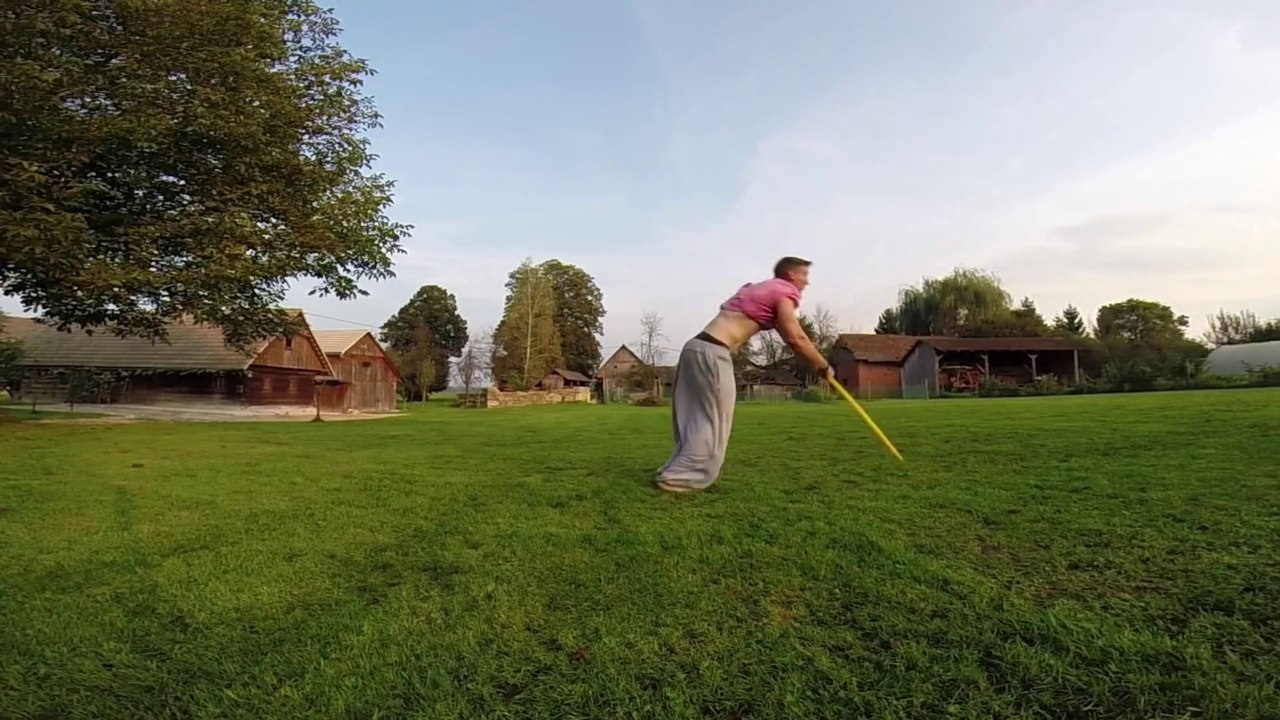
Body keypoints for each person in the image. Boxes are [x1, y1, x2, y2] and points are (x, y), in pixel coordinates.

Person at [656, 256, 834, 493]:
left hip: (694, 348)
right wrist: (823, 366)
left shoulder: (757, 289)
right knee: (714, 419)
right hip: (713, 352)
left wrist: (812, 357)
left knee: (694, 415)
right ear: (791, 274)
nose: (806, 282)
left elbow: (786, 334)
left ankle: (675, 470)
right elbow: (795, 338)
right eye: (804, 275)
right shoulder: (784, 291)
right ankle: (680, 478)